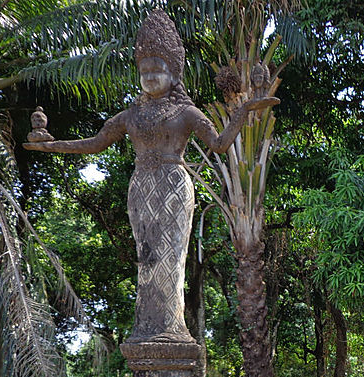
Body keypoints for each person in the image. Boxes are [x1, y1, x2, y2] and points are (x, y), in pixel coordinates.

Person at [25, 9, 276, 343]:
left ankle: (172, 328)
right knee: (147, 259)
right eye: (144, 70)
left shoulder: (187, 112)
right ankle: (146, 327)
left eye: (158, 68)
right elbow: (96, 143)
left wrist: (242, 112)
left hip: (174, 185)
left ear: (174, 73)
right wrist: (52, 145)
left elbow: (219, 145)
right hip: (141, 188)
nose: (150, 76)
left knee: (171, 261)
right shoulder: (131, 114)